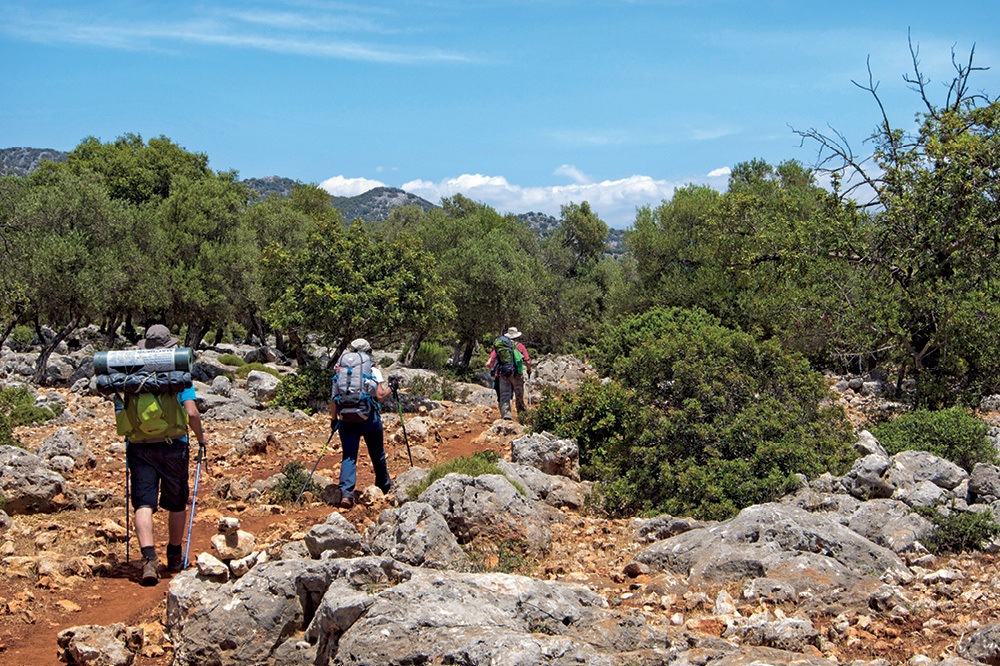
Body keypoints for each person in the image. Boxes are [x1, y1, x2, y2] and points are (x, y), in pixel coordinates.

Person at [126, 325, 207, 586]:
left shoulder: (130, 374)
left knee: (143, 503)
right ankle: (173, 555)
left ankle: (149, 559)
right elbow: (192, 412)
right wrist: (201, 438)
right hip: (174, 445)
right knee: (176, 502)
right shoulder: (177, 375)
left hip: (139, 445)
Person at [330, 338, 392, 508]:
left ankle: (347, 494)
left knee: (349, 456)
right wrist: (391, 388)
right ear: (368, 352)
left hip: (346, 420)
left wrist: (333, 420)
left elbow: (333, 399)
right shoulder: (372, 370)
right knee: (377, 453)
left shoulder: (341, 371)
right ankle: (383, 487)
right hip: (368, 418)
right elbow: (379, 395)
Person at [486, 326, 532, 420]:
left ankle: (506, 416)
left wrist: (494, 370)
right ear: (517, 336)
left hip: (503, 373)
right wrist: (528, 370)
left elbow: (489, 363)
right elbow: (527, 361)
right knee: (519, 395)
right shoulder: (520, 346)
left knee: (504, 395)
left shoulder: (501, 346)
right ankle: (522, 416)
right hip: (516, 374)